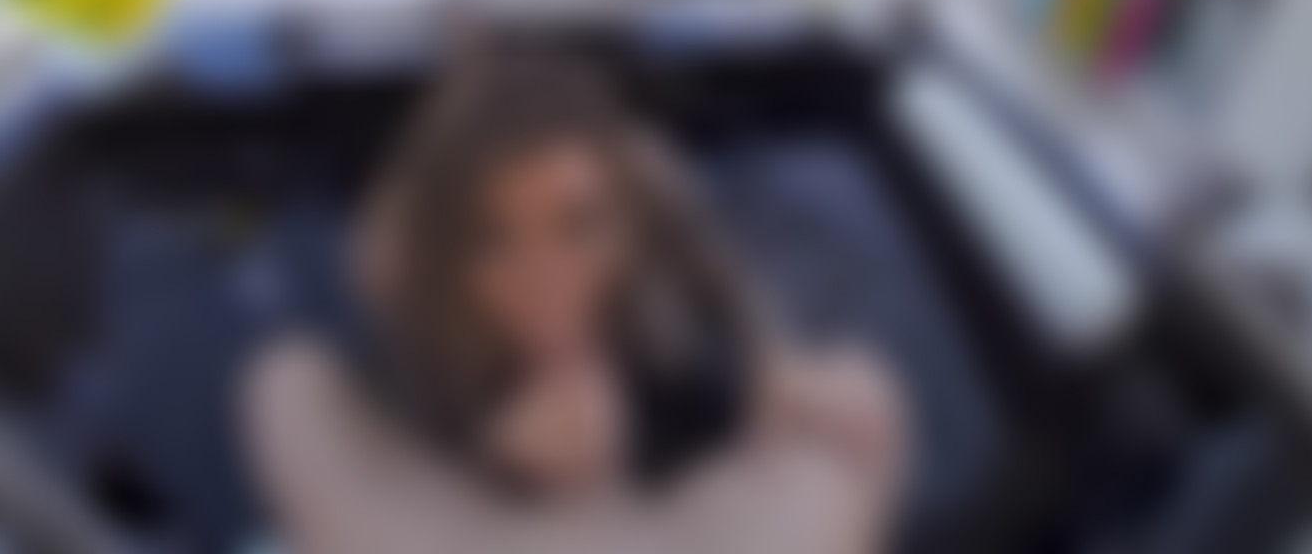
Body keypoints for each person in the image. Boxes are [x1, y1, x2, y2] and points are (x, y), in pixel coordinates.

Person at [240, 42, 910, 554]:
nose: (545, 276)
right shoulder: (321, 403)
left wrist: (746, 358)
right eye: (489, 237)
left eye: (581, 225)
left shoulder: (797, 423)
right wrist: (561, 486)